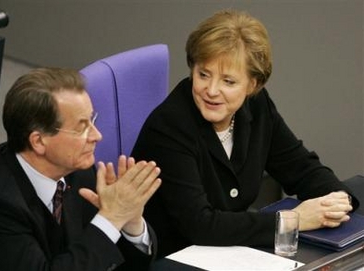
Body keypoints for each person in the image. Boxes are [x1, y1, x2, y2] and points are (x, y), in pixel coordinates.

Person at [131, 9, 360, 258]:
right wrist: (293, 220)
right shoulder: (169, 126)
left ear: (253, 85)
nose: (212, 90)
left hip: (232, 251)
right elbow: (200, 224)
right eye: (203, 74)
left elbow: (299, 166)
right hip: (176, 257)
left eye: (228, 81)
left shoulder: (256, 105)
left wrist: (336, 199)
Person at [0, 67, 162, 271]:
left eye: (92, 121)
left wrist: (130, 222)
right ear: (39, 141)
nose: (97, 136)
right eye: (81, 127)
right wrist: (111, 218)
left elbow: (113, 260)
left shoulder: (76, 169)